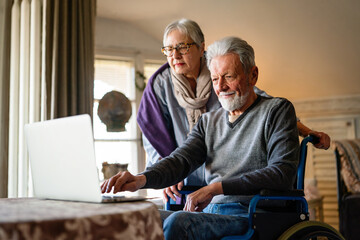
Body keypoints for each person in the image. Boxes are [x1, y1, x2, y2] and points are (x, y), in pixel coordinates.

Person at [103, 36, 301, 239]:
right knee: (134, 216)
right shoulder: (208, 122)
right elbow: (180, 160)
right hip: (209, 214)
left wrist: (216, 188)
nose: (220, 87)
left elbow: (281, 173)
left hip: (251, 215)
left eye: (229, 77)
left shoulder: (277, 110)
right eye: (215, 79)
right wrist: (141, 179)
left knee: (178, 221)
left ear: (253, 75)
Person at [137, 18, 330, 202]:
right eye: (169, 49)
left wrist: (305, 131)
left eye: (183, 47)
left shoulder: (220, 65)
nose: (175, 55)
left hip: (232, 189)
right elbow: (154, 134)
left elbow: (262, 102)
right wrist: (150, 176)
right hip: (186, 172)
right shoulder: (161, 85)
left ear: (201, 47)